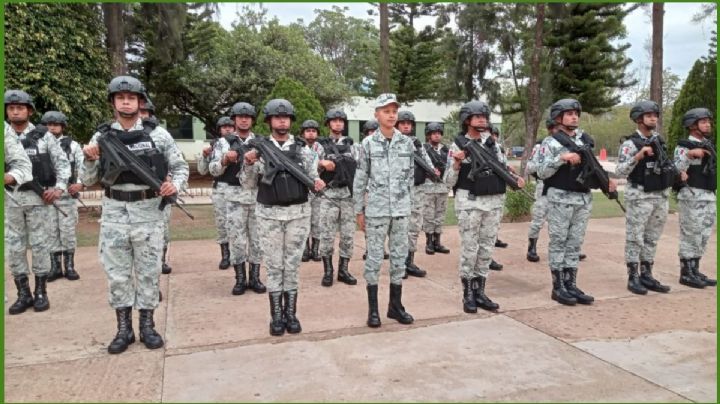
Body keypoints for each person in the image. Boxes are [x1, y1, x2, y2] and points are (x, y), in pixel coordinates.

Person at [82, 76, 189, 353]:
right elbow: (88, 178)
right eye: (121, 97)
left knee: (148, 272)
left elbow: (180, 168)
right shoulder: (101, 137)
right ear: (113, 103)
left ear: (140, 102)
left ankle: (147, 327)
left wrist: (172, 185)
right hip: (114, 213)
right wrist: (89, 158)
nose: (126, 101)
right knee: (117, 274)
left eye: (131, 97)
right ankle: (123, 330)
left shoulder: (158, 134)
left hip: (148, 212)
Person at [242, 99, 325, 336]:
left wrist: (318, 182)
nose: (282, 120)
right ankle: (276, 315)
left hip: (298, 214)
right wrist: (248, 163)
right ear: (269, 121)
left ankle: (291, 313)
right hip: (268, 215)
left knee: (292, 265)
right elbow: (247, 184)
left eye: (286, 117)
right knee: (274, 265)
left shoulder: (304, 150)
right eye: (277, 117)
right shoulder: (258, 150)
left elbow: (312, 178)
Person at [445, 101, 524, 313]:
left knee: (487, 248)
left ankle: (480, 291)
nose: (482, 119)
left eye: (484, 116)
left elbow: (503, 167)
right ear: (467, 120)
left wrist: (515, 177)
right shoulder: (457, 146)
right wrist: (456, 163)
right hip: (470, 203)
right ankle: (468, 293)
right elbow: (447, 181)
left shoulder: (494, 145)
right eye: (477, 116)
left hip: (494, 202)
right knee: (470, 249)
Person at [536, 98, 617, 306]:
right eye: (570, 113)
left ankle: (571, 283)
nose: (575, 117)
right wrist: (561, 159)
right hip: (560, 198)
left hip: (582, 198)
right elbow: (541, 171)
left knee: (575, 243)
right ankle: (558, 287)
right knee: (559, 241)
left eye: (576, 113)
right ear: (559, 117)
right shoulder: (551, 143)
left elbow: (594, 166)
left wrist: (608, 181)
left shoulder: (584, 141)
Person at [5, 89, 70, 315]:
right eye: (11, 108)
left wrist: (59, 188)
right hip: (10, 199)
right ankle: (23, 293)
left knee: (41, 245)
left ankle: (41, 291)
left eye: (20, 108)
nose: (15, 112)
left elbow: (62, 164)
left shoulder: (44, 136)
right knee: (14, 247)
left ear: (29, 110)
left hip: (38, 198)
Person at [354, 93, 416, 328]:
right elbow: (360, 179)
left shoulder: (406, 143)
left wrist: (410, 206)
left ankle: (395, 306)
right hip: (377, 211)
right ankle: (373, 310)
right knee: (374, 259)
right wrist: (359, 210)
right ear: (376, 114)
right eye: (386, 111)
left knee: (399, 258)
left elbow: (410, 177)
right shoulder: (368, 144)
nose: (391, 115)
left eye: (394, 111)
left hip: (401, 210)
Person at [615, 100, 673, 295]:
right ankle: (633, 276)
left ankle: (647, 274)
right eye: (649, 116)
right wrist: (638, 156)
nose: (653, 118)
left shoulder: (659, 140)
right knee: (635, 238)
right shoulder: (630, 144)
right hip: (639, 197)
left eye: (655, 115)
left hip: (659, 196)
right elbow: (620, 170)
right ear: (639, 119)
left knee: (652, 238)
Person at [209, 102, 265, 295]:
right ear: (234, 120)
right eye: (240, 116)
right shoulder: (223, 142)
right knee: (237, 240)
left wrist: (256, 161)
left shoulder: (260, 142)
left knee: (257, 240)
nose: (243, 119)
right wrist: (225, 160)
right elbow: (213, 169)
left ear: (252, 120)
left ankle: (255, 278)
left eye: (247, 116)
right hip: (233, 199)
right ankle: (240, 279)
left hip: (257, 198)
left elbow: (268, 169)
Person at [673, 108, 716, 288]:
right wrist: (689, 156)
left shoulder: (709, 145)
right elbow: (676, 169)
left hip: (708, 195)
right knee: (691, 234)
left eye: (709, 121)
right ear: (692, 125)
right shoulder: (684, 146)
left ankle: (695, 269)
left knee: (704, 234)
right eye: (703, 121)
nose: (708, 124)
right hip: (691, 195)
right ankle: (686, 273)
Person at [317, 109, 358, 286]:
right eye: (334, 121)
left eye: (341, 121)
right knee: (326, 235)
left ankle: (343, 270)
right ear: (328, 124)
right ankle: (328, 271)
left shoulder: (352, 146)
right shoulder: (320, 146)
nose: (338, 124)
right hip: (329, 195)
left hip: (348, 195)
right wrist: (321, 164)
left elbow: (359, 169)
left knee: (348, 235)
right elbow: (310, 167)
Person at [42, 111, 83, 281]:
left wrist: (79, 183)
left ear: (62, 127)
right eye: (48, 124)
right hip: (46, 195)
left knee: (67, 232)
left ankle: (70, 266)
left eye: (55, 124)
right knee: (51, 232)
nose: (51, 128)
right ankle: (55, 267)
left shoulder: (72, 146)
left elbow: (82, 166)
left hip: (66, 195)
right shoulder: (38, 144)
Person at [396, 110, 436, 278]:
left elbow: (427, 161)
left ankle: (409, 262)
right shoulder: (391, 142)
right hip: (399, 191)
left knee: (414, 227)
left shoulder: (417, 143)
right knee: (399, 229)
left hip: (417, 190)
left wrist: (433, 170)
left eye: (409, 123)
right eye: (403, 123)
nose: (406, 126)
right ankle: (398, 263)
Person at [198, 117, 235, 270]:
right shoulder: (215, 146)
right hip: (220, 189)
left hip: (238, 188)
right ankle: (225, 255)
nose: (227, 129)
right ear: (219, 130)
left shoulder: (242, 143)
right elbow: (201, 170)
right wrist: (205, 156)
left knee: (239, 224)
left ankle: (238, 255)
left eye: (230, 126)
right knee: (222, 224)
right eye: (224, 127)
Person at [525, 118, 555, 262]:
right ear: (550, 129)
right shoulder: (540, 146)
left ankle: (569, 249)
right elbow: (529, 167)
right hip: (544, 186)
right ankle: (532, 247)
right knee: (538, 219)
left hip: (564, 189)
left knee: (562, 220)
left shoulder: (570, 144)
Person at [421, 122, 450, 255]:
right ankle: (429, 242)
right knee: (428, 215)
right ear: (428, 135)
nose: (437, 136)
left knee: (440, 215)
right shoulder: (423, 149)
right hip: (428, 187)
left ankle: (437, 241)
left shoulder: (446, 150)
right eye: (434, 133)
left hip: (442, 187)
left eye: (439, 133)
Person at [299, 119, 325, 263]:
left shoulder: (320, 148)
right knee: (303, 220)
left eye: (313, 131)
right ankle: (305, 249)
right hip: (302, 188)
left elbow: (323, 165)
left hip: (317, 189)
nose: (310, 133)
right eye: (308, 131)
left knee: (317, 220)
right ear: (303, 133)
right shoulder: (298, 147)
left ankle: (315, 249)